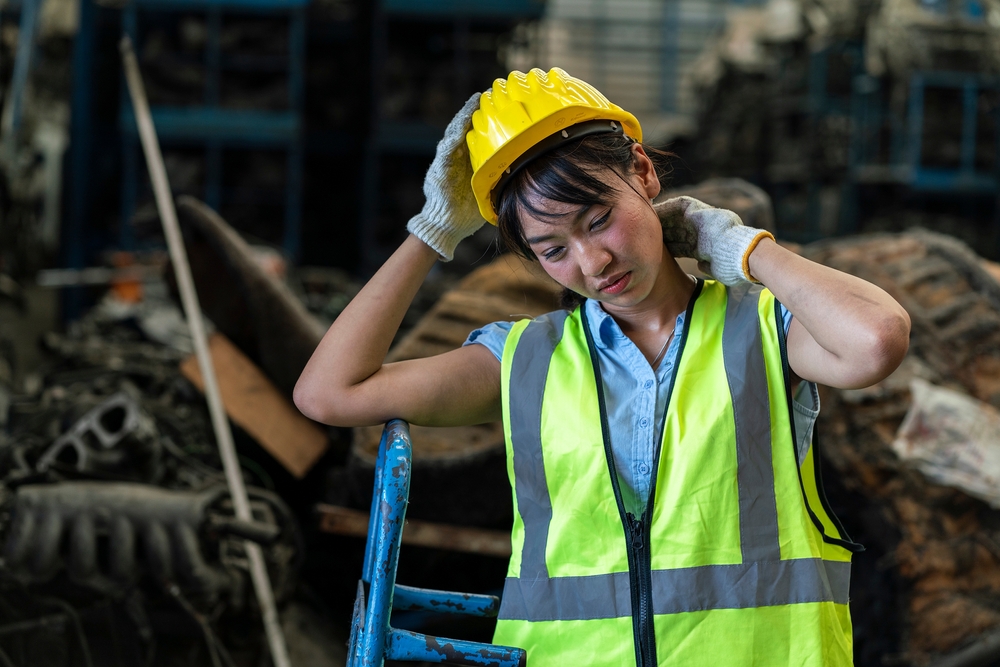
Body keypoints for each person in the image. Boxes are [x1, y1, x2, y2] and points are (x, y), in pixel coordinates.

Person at [294, 68, 911, 666]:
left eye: (599, 220)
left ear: (643, 173)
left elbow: (876, 340)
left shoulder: (762, 331)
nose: (594, 262)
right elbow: (330, 394)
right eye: (553, 250)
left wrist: (740, 248)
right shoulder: (524, 360)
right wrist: (431, 233)